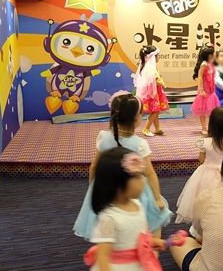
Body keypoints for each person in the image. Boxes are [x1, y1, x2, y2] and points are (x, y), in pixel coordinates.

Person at [71, 147, 175, 271]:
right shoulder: (109, 218)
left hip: (139, 269)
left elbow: (137, 236)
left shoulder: (137, 206)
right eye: (137, 177)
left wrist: (154, 241)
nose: (143, 181)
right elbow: (102, 256)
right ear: (118, 185)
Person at [73, 92, 172, 239]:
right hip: (134, 190)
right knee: (152, 220)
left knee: (110, 215)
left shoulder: (103, 137)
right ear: (135, 118)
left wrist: (93, 187)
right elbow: (149, 173)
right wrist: (157, 198)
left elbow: (94, 166)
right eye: (141, 114)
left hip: (108, 186)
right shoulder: (139, 144)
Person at [175, 106, 223, 224]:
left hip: (207, 174)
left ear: (212, 124)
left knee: (205, 200)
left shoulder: (205, 142)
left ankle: (206, 221)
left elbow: (201, 159)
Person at [134, 45, 169, 137]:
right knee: (156, 111)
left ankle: (157, 129)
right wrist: (163, 83)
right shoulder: (151, 67)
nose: (159, 58)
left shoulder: (146, 66)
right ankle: (146, 128)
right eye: (158, 56)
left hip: (152, 92)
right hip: (152, 93)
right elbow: (155, 80)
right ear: (153, 57)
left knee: (156, 111)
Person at [192, 46, 220, 136]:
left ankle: (212, 127)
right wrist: (201, 90)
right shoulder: (204, 64)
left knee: (212, 110)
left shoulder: (211, 63)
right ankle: (203, 127)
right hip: (204, 90)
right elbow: (200, 76)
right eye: (213, 53)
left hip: (211, 90)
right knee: (203, 110)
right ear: (209, 55)